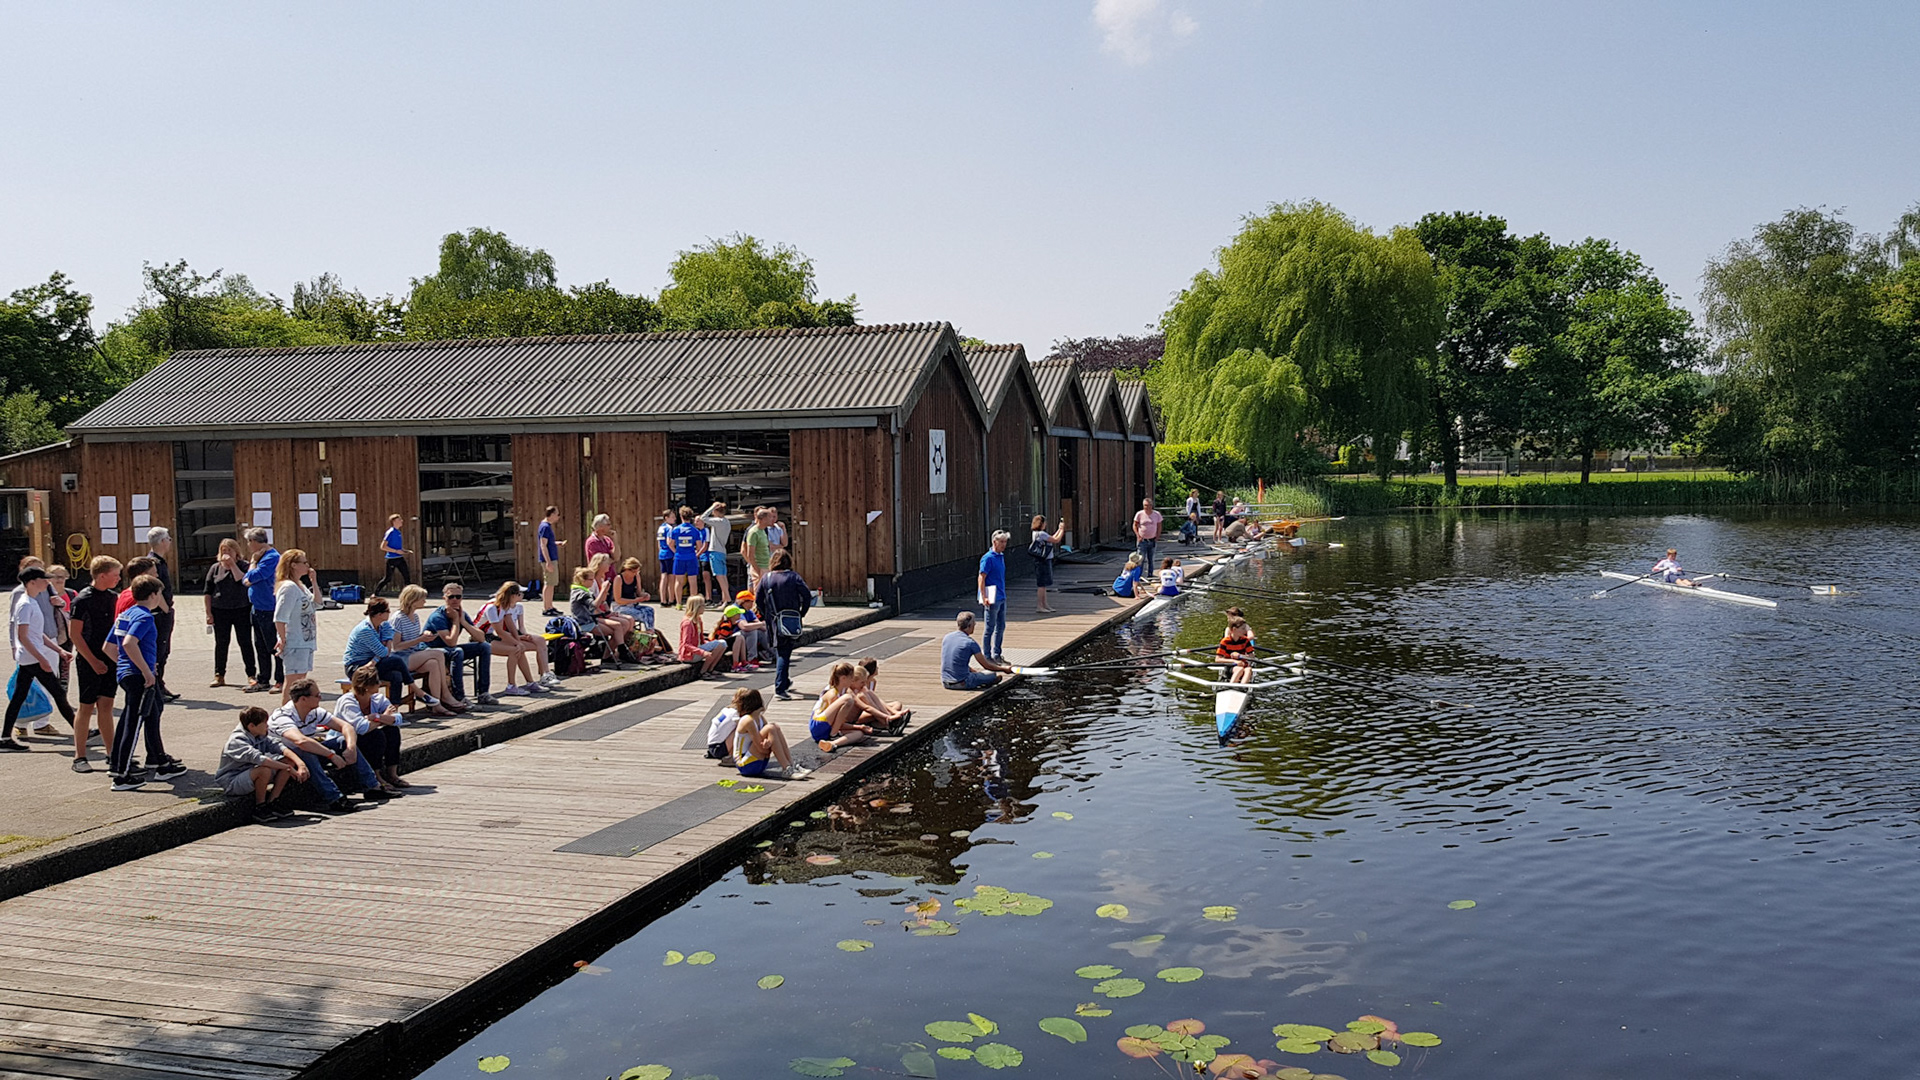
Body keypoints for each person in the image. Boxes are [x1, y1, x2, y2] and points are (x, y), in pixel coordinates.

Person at [268, 678, 391, 813]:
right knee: (306, 752)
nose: (320, 698)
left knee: (342, 742)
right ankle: (334, 798)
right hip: (282, 759)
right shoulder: (282, 716)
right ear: (303, 699)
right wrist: (331, 755)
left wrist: (351, 749)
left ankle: (372, 787)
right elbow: (301, 742)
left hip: (307, 753)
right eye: (317, 695)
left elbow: (346, 726)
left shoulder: (314, 712)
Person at [104, 575, 172, 789]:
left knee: (134, 717)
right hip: (139, 677)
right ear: (153, 595)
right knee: (133, 723)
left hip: (126, 673)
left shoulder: (125, 614)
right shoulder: (144, 617)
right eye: (159, 594)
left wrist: (125, 665)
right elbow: (129, 643)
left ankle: (154, 761)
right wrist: (145, 671)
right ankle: (121, 776)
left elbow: (109, 648)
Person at [5, 567, 75, 751]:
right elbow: (23, 636)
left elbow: (38, 634)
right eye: (43, 579)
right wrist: (41, 659)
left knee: (19, 697)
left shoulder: (32, 602)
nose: (47, 582)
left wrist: (59, 650)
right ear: (32, 582)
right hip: (32, 658)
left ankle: (4, 737)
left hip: (31, 658)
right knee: (59, 693)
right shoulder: (26, 604)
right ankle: (81, 730)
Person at [67, 555, 122, 772]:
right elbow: (75, 635)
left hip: (109, 658)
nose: (118, 578)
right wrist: (93, 661)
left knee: (106, 704)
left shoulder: (113, 597)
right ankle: (79, 756)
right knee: (87, 706)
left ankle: (111, 752)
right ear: (102, 576)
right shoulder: (82, 600)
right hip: (89, 659)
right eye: (115, 574)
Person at [343, 597, 442, 716]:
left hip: (372, 663)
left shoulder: (383, 625)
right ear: (379, 614)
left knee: (397, 675)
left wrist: (383, 647)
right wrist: (381, 652)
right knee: (396, 661)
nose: (390, 613)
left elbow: (386, 649)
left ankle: (393, 711)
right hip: (357, 667)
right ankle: (419, 692)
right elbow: (384, 652)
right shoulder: (365, 630)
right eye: (387, 611)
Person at [214, 706, 304, 823]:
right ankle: (260, 807)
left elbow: (279, 747)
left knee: (288, 760)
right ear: (252, 726)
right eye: (265, 723)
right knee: (264, 770)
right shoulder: (237, 740)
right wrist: (288, 768)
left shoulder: (260, 733)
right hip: (232, 781)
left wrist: (299, 764)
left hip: (251, 773)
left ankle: (273, 801)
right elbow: (261, 760)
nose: (268, 726)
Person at [335, 663, 407, 794]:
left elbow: (398, 719)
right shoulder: (347, 701)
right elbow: (361, 728)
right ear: (366, 687)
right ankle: (377, 776)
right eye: (376, 682)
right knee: (376, 736)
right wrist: (384, 718)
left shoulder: (377, 698)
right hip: (346, 741)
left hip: (366, 734)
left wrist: (376, 717)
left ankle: (392, 774)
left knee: (392, 731)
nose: (379, 684)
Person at [390, 585, 464, 710]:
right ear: (413, 600)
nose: (425, 601)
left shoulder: (415, 616)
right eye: (422, 599)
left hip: (413, 653)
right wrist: (420, 639)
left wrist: (424, 636)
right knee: (438, 654)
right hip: (400, 658)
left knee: (433, 664)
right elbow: (396, 646)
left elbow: (412, 639)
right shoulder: (398, 618)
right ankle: (445, 694)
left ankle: (436, 704)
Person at [754, 549, 812, 700]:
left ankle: (785, 681)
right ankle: (780, 687)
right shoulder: (794, 577)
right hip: (791, 619)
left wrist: (767, 614)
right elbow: (807, 596)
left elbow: (758, 600)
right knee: (784, 653)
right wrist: (801, 613)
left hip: (773, 621)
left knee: (782, 651)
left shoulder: (766, 578)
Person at [425, 583, 495, 705]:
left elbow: (481, 638)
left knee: (485, 647)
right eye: (451, 597)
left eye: (458, 597)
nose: (455, 600)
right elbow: (451, 642)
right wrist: (456, 621)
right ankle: (459, 696)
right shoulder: (438, 616)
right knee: (457, 652)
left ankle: (483, 693)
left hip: (448, 649)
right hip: (432, 651)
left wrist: (463, 621)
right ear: (444, 598)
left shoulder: (461, 613)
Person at [478, 581, 553, 694]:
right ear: (512, 596)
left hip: (490, 636)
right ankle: (511, 686)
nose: (522, 596)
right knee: (515, 650)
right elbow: (500, 631)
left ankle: (530, 683)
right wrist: (517, 643)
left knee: (520, 649)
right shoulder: (492, 608)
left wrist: (518, 640)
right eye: (519, 594)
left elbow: (511, 626)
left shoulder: (505, 606)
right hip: (480, 637)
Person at [203, 538, 256, 689]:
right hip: (220, 610)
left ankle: (251, 675)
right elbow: (207, 592)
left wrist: (232, 565)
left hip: (241, 609)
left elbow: (242, 580)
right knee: (221, 643)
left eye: (229, 550)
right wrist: (208, 613)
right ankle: (219, 675)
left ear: (236, 552)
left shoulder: (244, 566)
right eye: (223, 550)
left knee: (245, 642)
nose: (226, 553)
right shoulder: (215, 568)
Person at [273, 549, 320, 704]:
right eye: (304, 562)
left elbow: (318, 604)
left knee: (301, 681)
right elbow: (280, 617)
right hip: (295, 641)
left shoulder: (300, 586)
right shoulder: (288, 588)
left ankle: (298, 714)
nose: (308, 565)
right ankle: (284, 715)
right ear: (293, 565)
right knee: (293, 682)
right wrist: (283, 638)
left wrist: (314, 581)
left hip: (306, 640)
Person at [727, 687, 807, 779]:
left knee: (775, 727)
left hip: (757, 762)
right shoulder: (747, 720)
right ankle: (786, 768)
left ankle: (791, 764)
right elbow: (761, 748)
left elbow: (768, 739)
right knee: (770, 728)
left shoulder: (760, 718)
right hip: (745, 764)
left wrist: (768, 744)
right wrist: (768, 746)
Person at [242, 529, 282, 693]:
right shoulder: (261, 558)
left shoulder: (271, 557)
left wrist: (253, 563)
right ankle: (263, 679)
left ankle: (280, 679)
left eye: (249, 542)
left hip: (269, 608)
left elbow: (253, 577)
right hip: (257, 608)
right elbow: (245, 580)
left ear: (255, 541)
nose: (248, 545)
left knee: (274, 645)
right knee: (260, 645)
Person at [811, 661, 874, 754]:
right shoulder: (832, 694)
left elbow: (838, 722)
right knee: (849, 698)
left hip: (826, 728)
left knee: (859, 734)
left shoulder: (841, 693)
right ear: (843, 678)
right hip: (818, 724)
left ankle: (832, 744)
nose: (852, 681)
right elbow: (835, 722)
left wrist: (860, 727)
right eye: (851, 678)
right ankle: (834, 734)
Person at [145, 528, 178, 702]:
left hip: (164, 610)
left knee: (164, 650)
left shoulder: (160, 561)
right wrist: (166, 609)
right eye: (169, 539)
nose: (170, 542)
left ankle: (160, 684)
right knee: (158, 650)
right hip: (159, 612)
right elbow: (155, 589)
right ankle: (155, 687)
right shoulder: (153, 563)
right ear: (163, 541)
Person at [941, 611, 1012, 691]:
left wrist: (972, 671)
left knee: (978, 674)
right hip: (962, 683)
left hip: (945, 682)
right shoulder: (970, 643)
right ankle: (986, 681)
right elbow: (987, 666)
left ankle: (980, 679)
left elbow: (955, 661)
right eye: (974, 623)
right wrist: (1004, 669)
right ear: (969, 625)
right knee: (992, 674)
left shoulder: (947, 637)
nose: (975, 625)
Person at [585, 553, 639, 641]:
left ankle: (627, 647)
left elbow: (604, 601)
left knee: (630, 619)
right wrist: (605, 613)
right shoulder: (592, 582)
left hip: (603, 612)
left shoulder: (602, 579)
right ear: (600, 565)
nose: (609, 565)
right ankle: (615, 650)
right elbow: (592, 604)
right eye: (607, 563)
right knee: (623, 624)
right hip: (596, 615)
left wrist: (608, 611)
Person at [852, 656, 911, 734]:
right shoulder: (855, 689)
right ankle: (887, 722)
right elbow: (867, 706)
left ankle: (885, 721)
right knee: (866, 699)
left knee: (897, 704)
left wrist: (891, 711)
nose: (878, 668)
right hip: (860, 714)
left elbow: (875, 700)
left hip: (870, 708)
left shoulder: (872, 682)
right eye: (876, 667)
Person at [977, 530, 1010, 662]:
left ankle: (997, 654)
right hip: (992, 597)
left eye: (1005, 542)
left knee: (1001, 626)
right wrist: (984, 596)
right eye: (1001, 542)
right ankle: (987, 656)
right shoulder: (988, 558)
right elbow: (981, 577)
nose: (1004, 544)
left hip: (1002, 596)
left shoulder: (1001, 556)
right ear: (994, 542)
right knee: (990, 627)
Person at [676, 595, 728, 677]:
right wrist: (703, 652)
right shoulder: (688, 623)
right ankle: (703, 672)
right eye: (702, 605)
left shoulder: (698, 620)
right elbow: (686, 644)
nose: (704, 607)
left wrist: (708, 644)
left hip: (697, 648)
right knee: (720, 643)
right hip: (689, 655)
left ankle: (710, 669)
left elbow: (701, 640)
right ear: (697, 607)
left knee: (722, 644)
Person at [1028, 514, 1067, 613]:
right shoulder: (1041, 534)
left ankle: (1045, 605)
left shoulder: (1037, 534)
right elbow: (1056, 540)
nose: (1045, 524)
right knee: (1042, 584)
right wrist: (1062, 530)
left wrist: (1059, 529)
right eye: (1044, 523)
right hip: (1043, 561)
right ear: (1041, 524)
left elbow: (1052, 537)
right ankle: (1040, 606)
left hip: (1042, 560)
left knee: (1044, 585)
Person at [609, 558, 657, 631]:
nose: (635, 574)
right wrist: (634, 600)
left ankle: (650, 631)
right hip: (620, 606)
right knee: (642, 614)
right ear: (627, 569)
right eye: (634, 572)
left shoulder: (636, 577)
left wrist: (645, 595)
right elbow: (618, 600)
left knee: (649, 610)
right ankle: (648, 632)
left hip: (632, 605)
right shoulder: (618, 579)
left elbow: (639, 592)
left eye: (637, 572)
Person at [732, 590, 775, 666]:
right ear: (744, 602)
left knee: (761, 631)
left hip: (744, 635)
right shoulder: (736, 609)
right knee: (752, 631)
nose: (753, 603)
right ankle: (752, 658)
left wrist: (761, 625)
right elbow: (744, 626)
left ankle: (775, 653)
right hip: (734, 636)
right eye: (751, 601)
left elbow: (761, 626)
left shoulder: (748, 611)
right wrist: (760, 624)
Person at [536, 505, 566, 616]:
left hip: (551, 557)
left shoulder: (546, 526)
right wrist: (548, 561)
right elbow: (543, 545)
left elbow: (547, 543)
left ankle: (550, 606)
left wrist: (555, 543)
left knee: (551, 583)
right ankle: (546, 608)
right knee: (549, 583)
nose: (558, 517)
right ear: (552, 514)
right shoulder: (545, 527)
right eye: (557, 514)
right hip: (549, 559)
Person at [669, 506, 702, 607]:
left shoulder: (675, 530)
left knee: (679, 581)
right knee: (693, 581)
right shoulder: (695, 531)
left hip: (679, 557)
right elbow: (699, 546)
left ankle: (678, 603)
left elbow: (670, 544)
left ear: (681, 516)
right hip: (691, 557)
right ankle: (693, 604)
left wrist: (676, 552)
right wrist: (695, 554)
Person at [701, 501, 732, 604]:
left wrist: (712, 506)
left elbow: (703, 518)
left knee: (719, 576)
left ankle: (727, 599)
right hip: (722, 551)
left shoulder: (718, 521)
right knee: (723, 576)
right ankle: (725, 599)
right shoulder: (726, 522)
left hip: (715, 550)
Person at [377, 514, 412, 597]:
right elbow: (383, 547)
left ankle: (409, 596)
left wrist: (404, 551)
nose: (401, 521)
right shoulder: (390, 532)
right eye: (399, 520)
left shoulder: (398, 532)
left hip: (400, 558)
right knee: (387, 578)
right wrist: (396, 551)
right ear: (394, 522)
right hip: (391, 559)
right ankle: (375, 594)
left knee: (407, 576)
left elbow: (397, 546)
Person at [1216, 616, 1257, 685]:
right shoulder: (1225, 641)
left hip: (1243, 665)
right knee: (1239, 669)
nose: (1245, 631)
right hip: (1230, 667)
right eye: (1243, 629)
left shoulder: (1245, 640)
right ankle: (1231, 687)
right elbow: (1217, 659)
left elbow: (1252, 657)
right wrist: (1235, 661)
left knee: (1248, 669)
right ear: (1234, 629)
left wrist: (1241, 656)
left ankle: (1242, 687)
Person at [743, 506, 774, 593]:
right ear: (763, 519)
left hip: (766, 566)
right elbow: (750, 554)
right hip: (759, 567)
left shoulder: (763, 531)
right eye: (769, 517)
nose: (772, 519)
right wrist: (757, 570)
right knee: (759, 593)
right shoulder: (754, 532)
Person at [655, 508, 678, 606]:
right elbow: (669, 542)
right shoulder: (670, 528)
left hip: (662, 554)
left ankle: (663, 599)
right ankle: (671, 599)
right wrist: (675, 552)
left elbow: (659, 543)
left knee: (663, 576)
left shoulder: (661, 528)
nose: (674, 519)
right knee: (671, 577)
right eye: (672, 517)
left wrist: (660, 552)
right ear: (666, 518)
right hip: (669, 554)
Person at [583, 515, 617, 583]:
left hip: (611, 576)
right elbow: (599, 562)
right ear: (601, 527)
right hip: (598, 578)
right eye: (608, 524)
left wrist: (615, 540)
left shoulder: (607, 540)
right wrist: (612, 559)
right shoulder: (592, 542)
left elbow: (616, 556)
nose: (610, 527)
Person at [1132, 497, 1164, 568]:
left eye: (1148, 505)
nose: (1147, 507)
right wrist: (1138, 536)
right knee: (1140, 559)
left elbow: (1159, 526)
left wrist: (1157, 537)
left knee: (1151, 559)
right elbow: (1134, 525)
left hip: (1152, 540)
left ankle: (1150, 574)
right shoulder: (1139, 514)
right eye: (1145, 505)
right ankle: (1139, 575)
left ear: (1151, 505)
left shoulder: (1157, 514)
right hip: (1142, 540)